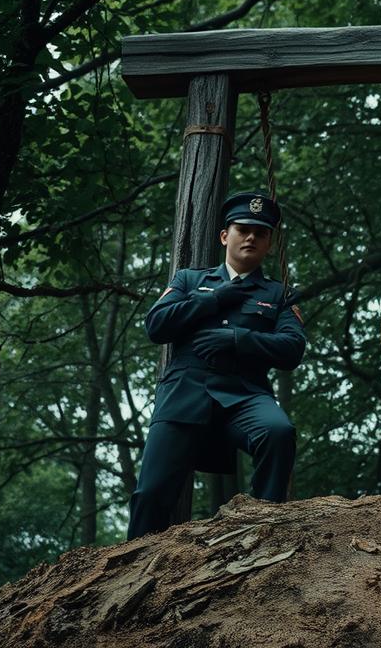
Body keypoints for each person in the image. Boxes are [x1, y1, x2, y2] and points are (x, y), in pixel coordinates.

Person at [127, 191, 306, 539]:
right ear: (225, 236)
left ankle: (264, 530)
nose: (251, 236)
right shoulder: (189, 281)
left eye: (261, 232)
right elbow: (156, 324)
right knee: (150, 492)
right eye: (243, 229)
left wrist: (239, 338)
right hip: (184, 396)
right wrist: (211, 301)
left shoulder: (277, 294)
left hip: (244, 396)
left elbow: (292, 348)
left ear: (269, 242)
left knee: (278, 431)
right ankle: (129, 564)